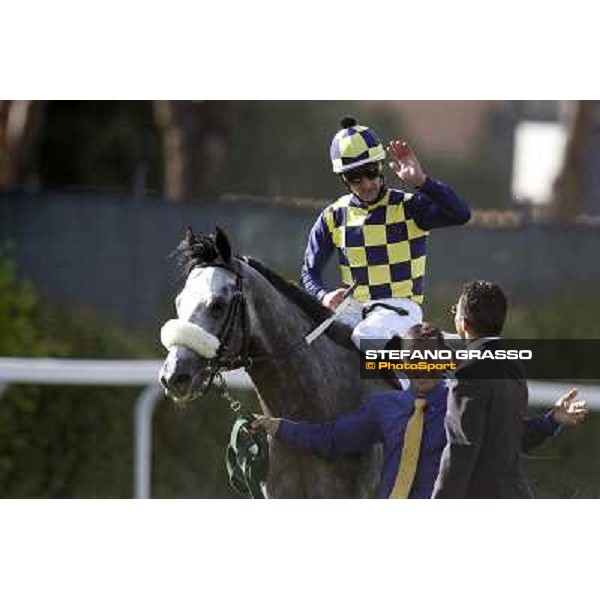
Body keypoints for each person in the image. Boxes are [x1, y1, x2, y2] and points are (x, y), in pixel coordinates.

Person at [251, 323, 586, 499]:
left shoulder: (463, 402)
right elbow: (332, 439)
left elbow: (512, 439)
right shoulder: (384, 407)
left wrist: (551, 420)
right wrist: (278, 426)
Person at [301, 116, 471, 351]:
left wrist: (422, 181)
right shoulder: (333, 216)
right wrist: (323, 296)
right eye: (354, 178)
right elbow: (309, 272)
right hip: (355, 311)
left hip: (400, 310)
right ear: (343, 179)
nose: (367, 184)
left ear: (380, 167)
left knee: (366, 335)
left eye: (370, 172)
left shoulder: (409, 207)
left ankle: (410, 387)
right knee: (308, 339)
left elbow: (461, 214)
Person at [432, 281, 588, 498]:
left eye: (454, 311)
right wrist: (553, 419)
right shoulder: (513, 365)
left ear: (463, 323)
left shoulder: (469, 372)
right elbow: (514, 439)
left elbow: (462, 448)